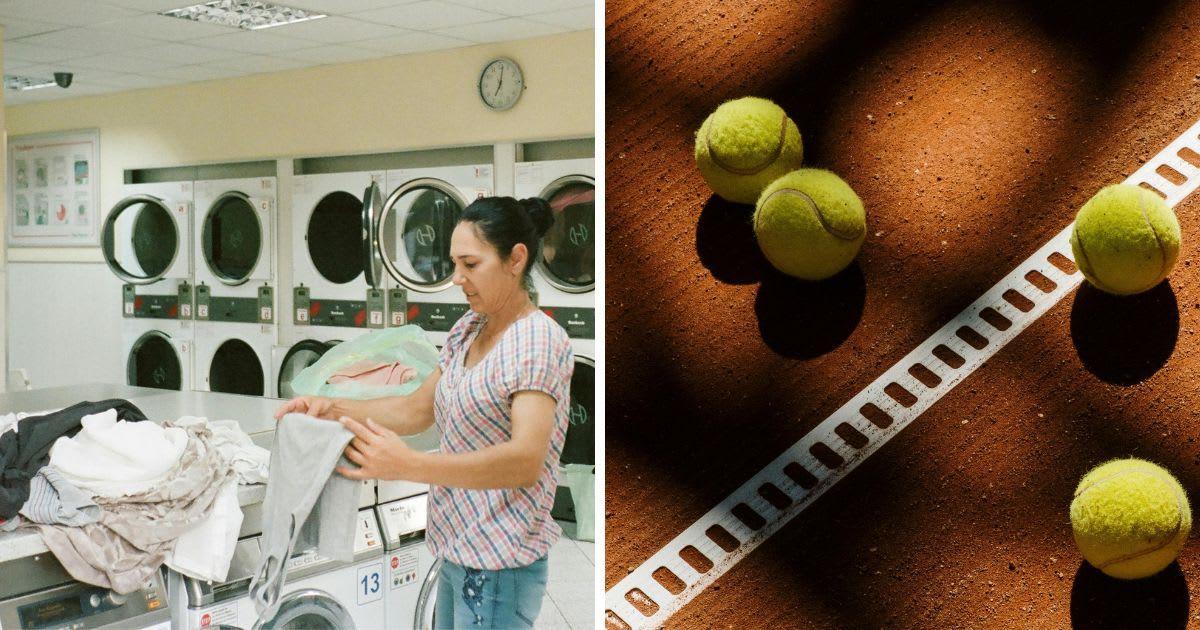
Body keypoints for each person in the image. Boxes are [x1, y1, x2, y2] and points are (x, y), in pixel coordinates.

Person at [274, 196, 575, 629]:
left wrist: (411, 465)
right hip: (456, 549)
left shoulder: (536, 341)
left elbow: (525, 460)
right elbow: (417, 409)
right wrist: (330, 408)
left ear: (516, 259)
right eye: (455, 264)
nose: (458, 279)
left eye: (470, 265)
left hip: (499, 564)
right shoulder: (469, 329)